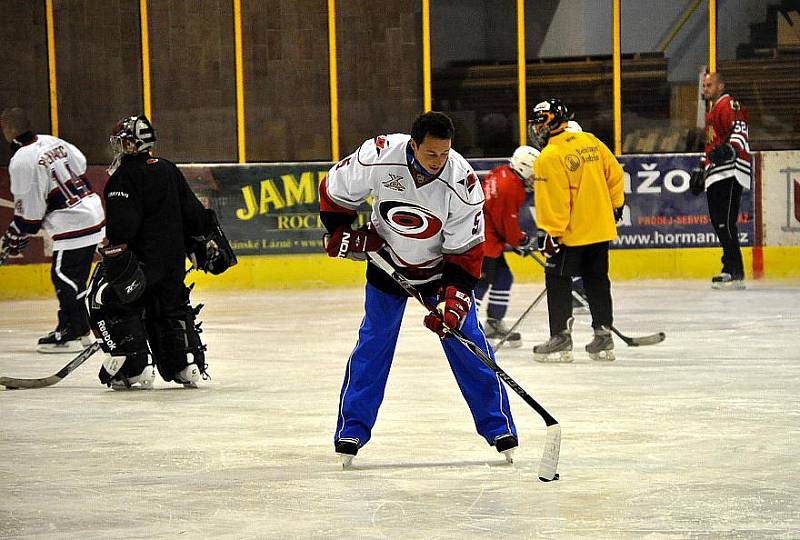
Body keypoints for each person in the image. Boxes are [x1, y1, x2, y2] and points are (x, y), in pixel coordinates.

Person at [320, 111, 517, 467]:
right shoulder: (379, 156)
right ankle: (352, 429)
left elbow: (467, 252)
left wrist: (453, 303)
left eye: (445, 154)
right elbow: (336, 191)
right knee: (373, 343)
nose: (439, 162)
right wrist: (340, 232)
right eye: (431, 154)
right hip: (387, 264)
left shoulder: (463, 183)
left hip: (441, 272)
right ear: (413, 146)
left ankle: (497, 425)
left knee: (468, 342)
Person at [85, 114, 235, 390]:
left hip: (141, 263)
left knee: (107, 301)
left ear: (131, 144)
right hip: (173, 260)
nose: (118, 148)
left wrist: (115, 254)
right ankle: (186, 364)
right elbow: (194, 214)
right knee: (170, 306)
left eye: (122, 142)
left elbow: (123, 228)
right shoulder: (168, 168)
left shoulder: (122, 178)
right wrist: (203, 242)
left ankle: (135, 368)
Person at [0, 107, 105, 353]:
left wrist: (17, 233)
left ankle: (77, 331)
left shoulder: (21, 160)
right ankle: (72, 328)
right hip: (91, 209)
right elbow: (79, 164)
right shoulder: (51, 140)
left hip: (73, 222)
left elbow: (31, 214)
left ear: (8, 129)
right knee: (74, 276)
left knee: (63, 276)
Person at [528, 99, 625, 363]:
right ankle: (603, 337)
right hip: (600, 228)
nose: (537, 128)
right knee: (597, 280)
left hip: (571, 233)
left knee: (557, 279)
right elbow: (615, 174)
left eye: (540, 122)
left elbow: (554, 199)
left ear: (553, 121)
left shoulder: (549, 157)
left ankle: (560, 338)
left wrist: (550, 232)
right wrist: (616, 205)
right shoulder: (590, 141)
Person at [473, 145, 539, 348]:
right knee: (481, 284)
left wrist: (517, 240)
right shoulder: (511, 187)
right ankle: (463, 324)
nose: (534, 179)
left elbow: (499, 219)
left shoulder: (501, 172)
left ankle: (493, 322)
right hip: (485, 243)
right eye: (533, 174)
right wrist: (520, 241)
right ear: (524, 167)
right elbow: (507, 224)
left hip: (486, 238)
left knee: (503, 277)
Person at [696, 71, 752, 289]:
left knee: (725, 223)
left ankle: (734, 271)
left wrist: (731, 149)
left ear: (720, 86)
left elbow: (739, 130)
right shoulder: (712, 111)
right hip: (717, 172)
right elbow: (711, 143)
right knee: (720, 223)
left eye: (709, 85)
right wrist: (702, 166)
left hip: (729, 172)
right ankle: (730, 268)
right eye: (703, 85)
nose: (705, 89)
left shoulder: (729, 105)